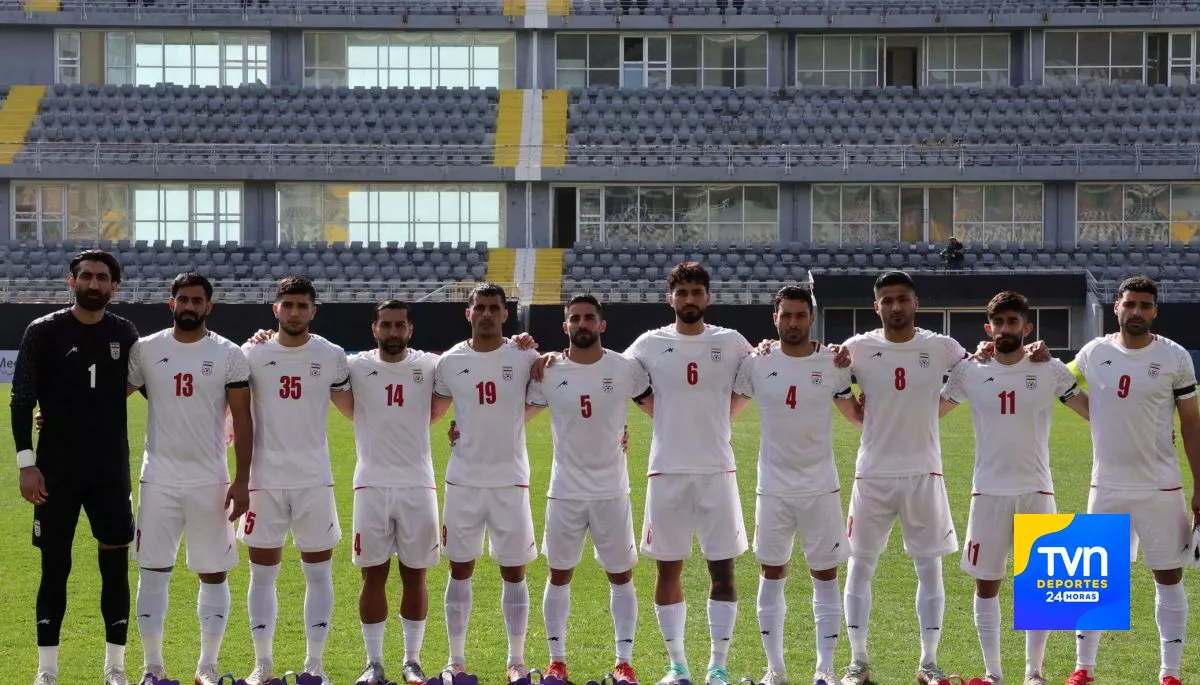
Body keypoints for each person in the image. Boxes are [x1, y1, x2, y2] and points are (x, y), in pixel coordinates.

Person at [938, 291, 1089, 685]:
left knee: (1041, 585)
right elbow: (929, 411)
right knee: (986, 582)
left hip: (1037, 489)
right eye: (999, 323)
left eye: (1013, 322)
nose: (1006, 329)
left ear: (1028, 327)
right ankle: (993, 673)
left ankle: (1034, 673)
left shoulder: (1050, 369)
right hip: (987, 491)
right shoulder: (970, 370)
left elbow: (1093, 412)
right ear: (988, 328)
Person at [11, 249, 140, 685]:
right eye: (86, 276)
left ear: (114, 286)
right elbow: (21, 399)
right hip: (55, 471)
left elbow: (148, 383)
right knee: (54, 567)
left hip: (109, 471)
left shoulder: (125, 331)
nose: (94, 284)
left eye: (102, 278)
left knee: (115, 566)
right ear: (71, 281)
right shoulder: (42, 331)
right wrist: (27, 463)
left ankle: (116, 667)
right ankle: (47, 670)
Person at [1065, 276, 1200, 685]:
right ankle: (1083, 669)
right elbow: (1061, 383)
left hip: (1161, 486)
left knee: (1168, 575)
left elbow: (1192, 422)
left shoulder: (1176, 358)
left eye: (1145, 305)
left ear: (1155, 311)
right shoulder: (1094, 351)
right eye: (1130, 305)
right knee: (1093, 577)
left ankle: (1170, 672)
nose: (1137, 312)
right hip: (1105, 485)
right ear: (1117, 309)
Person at [623, 262, 754, 685]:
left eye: (697, 292)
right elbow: (610, 376)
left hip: (718, 469)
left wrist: (724, 417)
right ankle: (677, 665)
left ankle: (718, 665)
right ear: (671, 299)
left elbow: (760, 377)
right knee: (668, 570)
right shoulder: (648, 343)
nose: (690, 300)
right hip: (666, 471)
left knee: (723, 571)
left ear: (708, 297)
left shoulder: (731, 342)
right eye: (682, 293)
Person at [837, 270, 967, 685]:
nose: (896, 307)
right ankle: (858, 662)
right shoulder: (857, 348)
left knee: (929, 568)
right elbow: (835, 389)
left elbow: (980, 373)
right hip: (872, 473)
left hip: (923, 473)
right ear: (876, 306)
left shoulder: (942, 347)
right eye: (887, 300)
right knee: (860, 565)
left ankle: (929, 663)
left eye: (903, 299)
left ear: (915, 303)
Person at [125, 273, 253, 685]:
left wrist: (242, 479)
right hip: (158, 479)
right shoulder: (147, 349)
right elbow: (107, 399)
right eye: (183, 299)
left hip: (210, 480)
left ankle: (207, 667)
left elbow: (244, 420)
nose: (189, 306)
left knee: (214, 572)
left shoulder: (229, 354)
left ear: (209, 306)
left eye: (197, 300)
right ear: (171, 303)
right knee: (152, 570)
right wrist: (55, 415)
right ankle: (153, 668)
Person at [734, 285, 863, 685]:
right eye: (786, 315)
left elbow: (856, 415)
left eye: (800, 315)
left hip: (820, 488)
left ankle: (824, 669)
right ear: (775, 318)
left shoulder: (833, 361)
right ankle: (775, 669)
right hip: (772, 488)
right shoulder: (756, 362)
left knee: (825, 576)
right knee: (771, 575)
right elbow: (723, 414)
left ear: (811, 318)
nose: (793, 322)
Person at [524, 295, 651, 685]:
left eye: (589, 318)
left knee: (621, 576)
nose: (582, 324)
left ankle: (624, 663)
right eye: (575, 318)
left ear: (602, 325)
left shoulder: (625, 368)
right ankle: (556, 662)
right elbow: (514, 416)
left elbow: (660, 409)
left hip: (612, 490)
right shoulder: (547, 370)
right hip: (565, 491)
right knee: (558, 574)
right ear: (565, 327)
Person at [238, 276, 351, 685]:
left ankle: (314, 665)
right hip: (263, 481)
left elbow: (360, 408)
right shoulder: (251, 352)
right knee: (261, 574)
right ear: (275, 309)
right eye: (288, 304)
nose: (295, 312)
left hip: (313, 481)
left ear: (313, 310)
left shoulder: (332, 355)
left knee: (318, 574)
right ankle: (263, 665)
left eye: (303, 305)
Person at [431, 283, 541, 684]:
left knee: (514, 571)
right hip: (463, 481)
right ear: (469, 313)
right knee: (460, 569)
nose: (487, 314)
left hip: (511, 481)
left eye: (494, 308)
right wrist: (461, 430)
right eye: (480, 307)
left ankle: (516, 661)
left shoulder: (525, 354)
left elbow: (544, 398)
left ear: (505, 314)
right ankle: (455, 660)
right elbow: (434, 411)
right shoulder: (449, 361)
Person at [343, 300, 448, 685]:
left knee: (415, 574)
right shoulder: (355, 366)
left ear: (410, 329)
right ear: (375, 329)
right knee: (372, 575)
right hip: (370, 483)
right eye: (385, 325)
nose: (392, 331)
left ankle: (412, 660)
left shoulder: (430, 365)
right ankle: (373, 662)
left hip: (419, 484)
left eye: (399, 325)